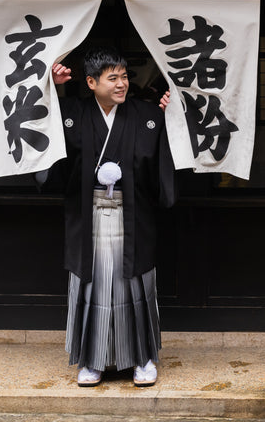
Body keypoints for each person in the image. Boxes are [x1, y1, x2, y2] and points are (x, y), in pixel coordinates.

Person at [46, 48, 175, 387]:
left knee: (135, 285)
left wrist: (172, 115)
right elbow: (45, 137)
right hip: (89, 215)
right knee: (93, 285)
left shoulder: (147, 115)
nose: (122, 84)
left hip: (132, 216)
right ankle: (92, 359)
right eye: (112, 78)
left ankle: (142, 357)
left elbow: (163, 157)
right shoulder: (72, 113)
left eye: (125, 77)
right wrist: (52, 88)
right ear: (91, 82)